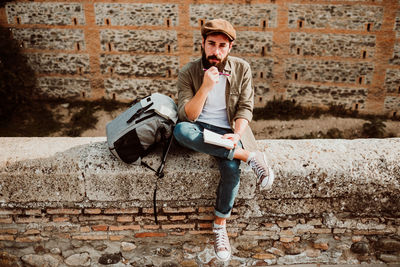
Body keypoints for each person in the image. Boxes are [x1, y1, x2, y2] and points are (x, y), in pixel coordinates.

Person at [173, 18, 275, 262]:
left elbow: (245, 108)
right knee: (181, 132)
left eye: (222, 46)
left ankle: (220, 226)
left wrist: (237, 135)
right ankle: (249, 156)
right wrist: (206, 87)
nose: (215, 51)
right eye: (211, 44)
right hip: (198, 128)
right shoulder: (188, 72)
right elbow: (188, 115)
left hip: (228, 129)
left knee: (231, 170)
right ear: (202, 43)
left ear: (230, 48)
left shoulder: (242, 69)